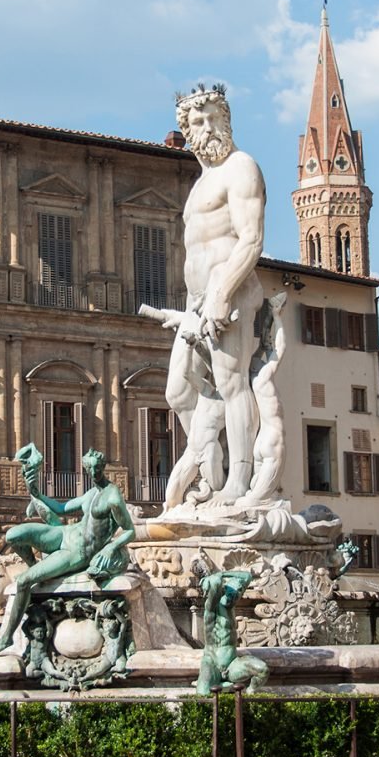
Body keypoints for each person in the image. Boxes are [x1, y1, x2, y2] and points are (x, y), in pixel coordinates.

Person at [161, 84, 266, 507]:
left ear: (226, 120)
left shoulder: (241, 167)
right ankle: (211, 471)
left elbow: (251, 239)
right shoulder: (199, 185)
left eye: (213, 119)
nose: (206, 128)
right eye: (197, 122)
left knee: (231, 382)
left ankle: (238, 482)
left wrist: (223, 290)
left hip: (232, 289)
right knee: (179, 391)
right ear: (186, 131)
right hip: (197, 301)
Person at [0, 446, 135, 653]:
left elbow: (130, 531)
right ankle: (38, 568)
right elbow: (60, 509)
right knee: (13, 535)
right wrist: (36, 492)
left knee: (23, 581)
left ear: (103, 467)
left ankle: (6, 638)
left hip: (79, 552)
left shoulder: (112, 497)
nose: (93, 473)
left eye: (96, 469)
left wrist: (110, 547)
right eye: (89, 469)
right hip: (66, 534)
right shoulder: (91, 493)